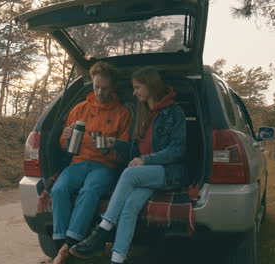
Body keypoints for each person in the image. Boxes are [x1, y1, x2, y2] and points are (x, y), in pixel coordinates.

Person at [69, 66, 187, 264]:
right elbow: (135, 151)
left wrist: (146, 160)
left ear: (150, 86)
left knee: (129, 174)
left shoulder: (174, 112)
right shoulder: (142, 113)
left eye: (137, 87)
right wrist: (115, 144)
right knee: (130, 206)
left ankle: (102, 230)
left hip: (168, 172)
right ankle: (117, 259)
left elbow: (177, 150)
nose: (134, 92)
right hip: (146, 174)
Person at [51, 61, 132, 264]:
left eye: (105, 88)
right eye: (96, 87)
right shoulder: (79, 109)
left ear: (113, 87)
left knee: (89, 192)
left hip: (105, 166)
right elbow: (64, 145)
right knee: (58, 189)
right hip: (78, 163)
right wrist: (66, 136)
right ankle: (60, 243)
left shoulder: (123, 113)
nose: (100, 92)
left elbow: (125, 153)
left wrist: (109, 149)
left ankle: (69, 245)